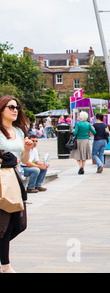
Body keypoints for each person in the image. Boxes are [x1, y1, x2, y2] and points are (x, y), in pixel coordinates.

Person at [0, 95, 33, 273]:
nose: (15, 110)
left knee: (19, 224)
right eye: (10, 107)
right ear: (1, 110)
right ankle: (6, 266)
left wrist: (27, 149)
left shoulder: (19, 132)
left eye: (17, 107)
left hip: (15, 181)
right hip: (1, 183)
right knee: (4, 225)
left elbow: (24, 160)